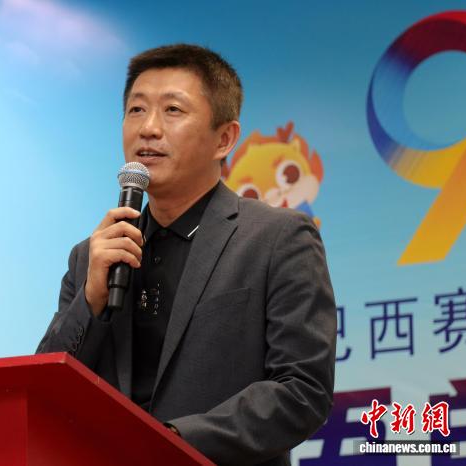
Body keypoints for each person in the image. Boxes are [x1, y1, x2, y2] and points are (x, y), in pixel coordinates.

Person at [37, 44, 336, 466]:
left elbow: (302, 389)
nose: (148, 129)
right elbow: (46, 392)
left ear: (224, 139)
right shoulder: (92, 256)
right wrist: (91, 301)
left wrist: (172, 443)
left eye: (173, 110)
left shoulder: (277, 239)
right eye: (136, 110)